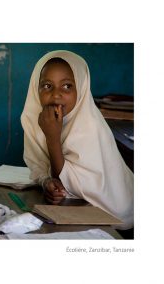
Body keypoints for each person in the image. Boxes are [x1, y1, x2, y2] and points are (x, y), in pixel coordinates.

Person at [21, 50, 134, 231]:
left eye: (67, 86)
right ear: (36, 88)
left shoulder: (92, 128)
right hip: (73, 212)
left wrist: (52, 137)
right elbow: (41, 169)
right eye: (47, 86)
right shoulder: (33, 119)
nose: (56, 95)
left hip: (113, 219)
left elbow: (68, 185)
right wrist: (46, 183)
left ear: (81, 88)